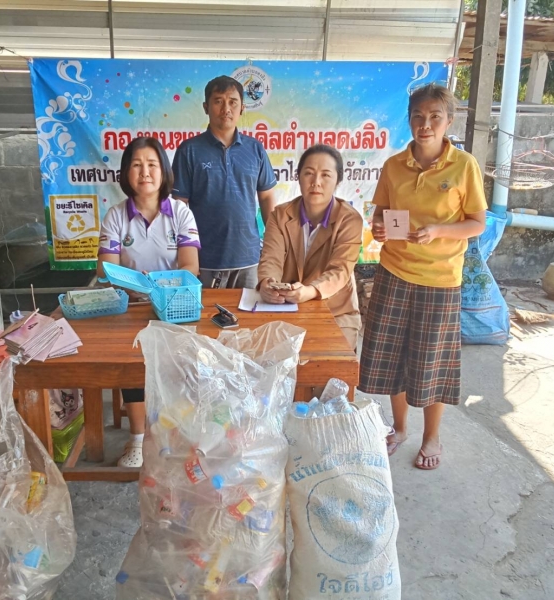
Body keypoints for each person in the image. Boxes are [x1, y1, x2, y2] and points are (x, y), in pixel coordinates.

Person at [359, 83, 487, 470]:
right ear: (409, 120)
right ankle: (399, 428)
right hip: (394, 272)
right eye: (418, 116)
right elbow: (380, 213)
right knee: (391, 357)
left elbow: (476, 223)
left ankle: (432, 436)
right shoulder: (394, 165)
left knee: (433, 362)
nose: (425, 124)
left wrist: (438, 231)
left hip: (440, 279)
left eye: (434, 117)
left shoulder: (464, 165)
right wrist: (380, 227)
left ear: (449, 121)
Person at [96, 136, 200, 468]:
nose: (145, 172)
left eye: (152, 164)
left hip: (174, 307)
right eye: (137, 165)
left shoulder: (181, 213)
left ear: (164, 171)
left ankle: (175, 434)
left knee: (181, 367)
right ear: (126, 173)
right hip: (130, 307)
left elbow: (190, 267)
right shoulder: (116, 216)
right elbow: (106, 268)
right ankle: (138, 438)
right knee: (131, 366)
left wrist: (157, 284)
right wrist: (133, 284)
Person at [172, 75, 278, 289]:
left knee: (250, 309)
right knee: (207, 311)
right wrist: (184, 254)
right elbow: (179, 205)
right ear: (206, 107)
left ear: (242, 108)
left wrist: (274, 243)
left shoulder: (255, 149)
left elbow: (267, 197)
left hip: (249, 258)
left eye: (233, 102)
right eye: (218, 101)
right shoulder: (189, 150)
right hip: (205, 259)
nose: (226, 109)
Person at [257, 144, 363, 350]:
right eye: (309, 173)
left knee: (331, 363)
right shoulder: (280, 215)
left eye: (326, 175)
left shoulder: (350, 219)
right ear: (298, 177)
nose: (316, 182)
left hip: (336, 312)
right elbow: (271, 258)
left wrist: (311, 291)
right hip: (287, 307)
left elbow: (340, 270)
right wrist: (267, 283)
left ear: (338, 181)